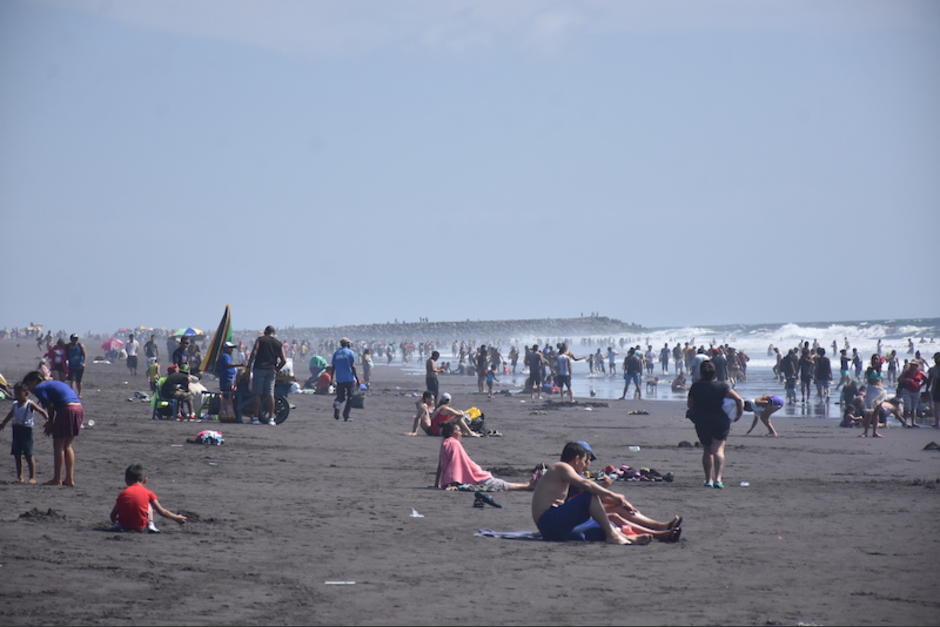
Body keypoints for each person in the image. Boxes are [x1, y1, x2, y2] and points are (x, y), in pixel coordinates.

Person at [531, 441, 653, 545]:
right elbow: (587, 485)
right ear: (577, 459)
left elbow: (590, 482)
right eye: (585, 460)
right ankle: (613, 536)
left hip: (554, 524)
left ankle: (628, 537)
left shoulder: (572, 472)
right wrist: (614, 496)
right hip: (548, 521)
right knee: (589, 496)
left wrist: (614, 495)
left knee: (599, 524)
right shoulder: (561, 467)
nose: (586, 464)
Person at [21, 370, 85, 486]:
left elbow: (50, 406)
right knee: (67, 445)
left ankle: (57, 479)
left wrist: (50, 422)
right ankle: (69, 479)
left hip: (67, 410)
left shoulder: (39, 388)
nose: (29, 389)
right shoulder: (52, 383)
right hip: (78, 408)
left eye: (29, 385)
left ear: (35, 381)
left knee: (58, 445)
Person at [687, 360, 743, 489]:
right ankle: (718, 479)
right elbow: (738, 399)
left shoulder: (696, 386)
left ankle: (708, 480)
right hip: (720, 419)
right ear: (714, 373)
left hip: (702, 420)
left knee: (707, 449)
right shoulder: (722, 386)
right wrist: (738, 414)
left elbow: (690, 405)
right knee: (718, 449)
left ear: (701, 372)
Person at [435, 422, 534, 491]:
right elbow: (455, 464)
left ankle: (527, 485)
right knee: (499, 484)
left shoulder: (445, 442)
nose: (461, 433)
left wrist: (438, 483)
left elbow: (441, 464)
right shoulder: (454, 443)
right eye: (459, 431)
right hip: (473, 478)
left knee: (498, 483)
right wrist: (453, 484)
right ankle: (527, 486)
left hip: (461, 478)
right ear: (453, 433)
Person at [110, 463, 187, 533]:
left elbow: (113, 515)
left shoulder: (122, 493)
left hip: (124, 526)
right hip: (140, 527)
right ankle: (151, 525)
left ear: (126, 480)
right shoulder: (148, 493)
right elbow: (162, 512)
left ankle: (118, 525)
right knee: (148, 504)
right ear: (145, 480)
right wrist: (177, 518)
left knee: (124, 503)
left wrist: (115, 521)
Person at [0, 383, 48, 483]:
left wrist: (48, 420)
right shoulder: (15, 404)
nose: (16, 395)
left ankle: (32, 477)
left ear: (26, 393)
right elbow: (10, 415)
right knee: (17, 454)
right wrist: (3, 423)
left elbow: (42, 411)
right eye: (15, 393)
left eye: (18, 393)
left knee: (28, 454)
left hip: (26, 430)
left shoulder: (30, 404)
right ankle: (20, 476)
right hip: (16, 429)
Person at [245, 326, 287, 425]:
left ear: (265, 332)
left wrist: (248, 367)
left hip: (259, 369)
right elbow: (283, 360)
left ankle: (255, 418)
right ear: (274, 333)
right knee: (270, 394)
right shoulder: (278, 343)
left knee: (257, 393)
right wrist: (276, 369)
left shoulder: (260, 340)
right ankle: (271, 419)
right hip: (271, 370)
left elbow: (254, 353)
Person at [331, 337, 358, 422]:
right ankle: (346, 415)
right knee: (350, 397)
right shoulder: (350, 352)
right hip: (349, 378)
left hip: (339, 378)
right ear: (347, 344)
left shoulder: (336, 353)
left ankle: (337, 405)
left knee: (340, 397)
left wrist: (331, 378)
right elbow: (353, 366)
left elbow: (333, 367)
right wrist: (357, 378)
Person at [216, 342, 243, 421]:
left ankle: (227, 414)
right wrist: (239, 365)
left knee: (228, 397)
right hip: (227, 379)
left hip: (230, 379)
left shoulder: (228, 356)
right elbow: (228, 365)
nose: (231, 350)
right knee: (227, 397)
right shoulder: (225, 356)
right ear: (226, 349)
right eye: (230, 348)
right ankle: (227, 415)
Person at [897, 360, 926, 428]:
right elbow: (899, 379)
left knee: (914, 407)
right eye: (912, 365)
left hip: (916, 391)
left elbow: (926, 380)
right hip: (907, 390)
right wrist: (906, 380)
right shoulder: (906, 372)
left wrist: (921, 386)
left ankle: (913, 422)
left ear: (917, 366)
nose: (913, 366)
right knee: (907, 407)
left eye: (915, 365)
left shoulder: (920, 373)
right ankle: (904, 422)